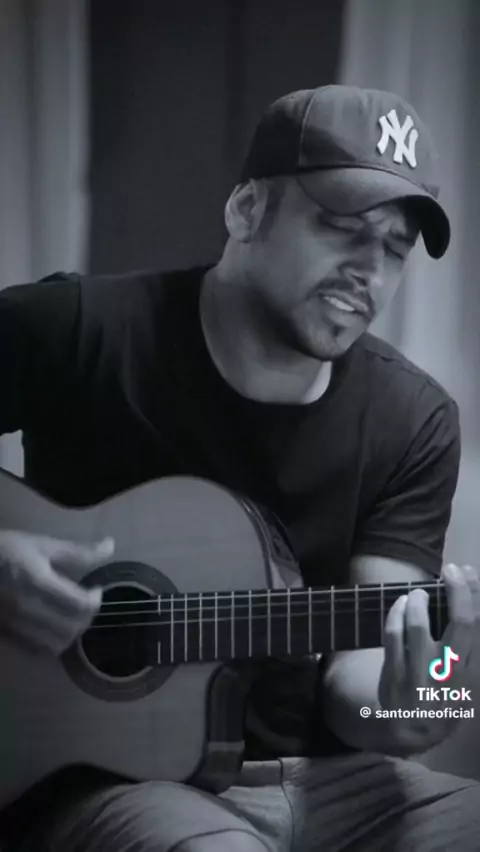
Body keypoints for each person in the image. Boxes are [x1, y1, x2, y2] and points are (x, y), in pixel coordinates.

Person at [0, 84, 480, 852]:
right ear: (246, 210)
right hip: (116, 784)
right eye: (341, 226)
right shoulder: (80, 331)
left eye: (394, 247)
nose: (369, 269)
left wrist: (417, 705)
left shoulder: (415, 420)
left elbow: (359, 683)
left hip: (335, 788)